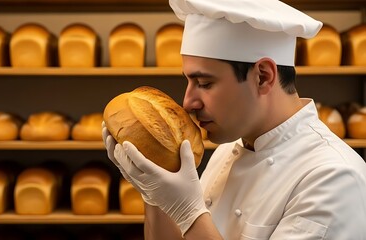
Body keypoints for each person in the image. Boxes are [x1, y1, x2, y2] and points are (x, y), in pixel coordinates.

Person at [102, 0, 366, 239]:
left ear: (263, 76)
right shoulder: (226, 150)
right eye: (188, 81)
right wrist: (155, 194)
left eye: (204, 83)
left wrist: (188, 212)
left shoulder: (334, 179)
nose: (187, 102)